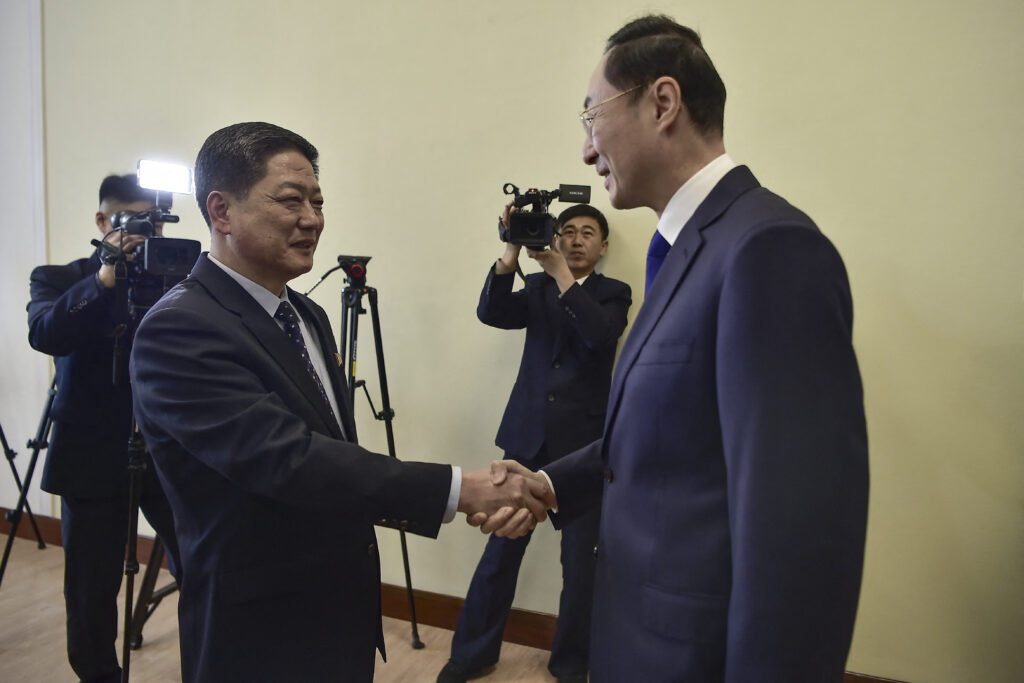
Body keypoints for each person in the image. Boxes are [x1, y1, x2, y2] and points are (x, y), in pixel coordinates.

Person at [484, 15, 870, 682]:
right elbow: (667, 432)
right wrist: (548, 481)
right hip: (637, 636)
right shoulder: (687, 248)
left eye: (590, 116)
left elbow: (798, 537)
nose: (585, 149)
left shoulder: (766, 248)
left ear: (662, 102)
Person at [128, 121, 548, 683]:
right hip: (258, 630)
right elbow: (289, 459)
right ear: (221, 212)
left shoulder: (307, 314)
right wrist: (461, 488)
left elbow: (335, 453)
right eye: (290, 200)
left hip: (340, 611)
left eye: (318, 201)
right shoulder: (179, 328)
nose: (312, 219)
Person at [439, 205, 631, 683]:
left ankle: (570, 666)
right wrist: (510, 253)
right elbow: (493, 313)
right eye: (568, 231)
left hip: (584, 446)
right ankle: (472, 654)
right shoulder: (537, 286)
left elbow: (599, 336)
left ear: (603, 247)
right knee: (499, 555)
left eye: (588, 233)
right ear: (556, 236)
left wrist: (560, 272)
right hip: (527, 437)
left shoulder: (614, 293)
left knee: (580, 569)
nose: (577, 239)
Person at [26, 174, 183, 683]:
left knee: (205, 565)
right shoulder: (57, 278)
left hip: (169, 449)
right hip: (91, 453)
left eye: (154, 221)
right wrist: (103, 277)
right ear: (103, 222)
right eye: (133, 220)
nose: (146, 231)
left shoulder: (177, 279)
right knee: (91, 594)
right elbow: (46, 334)